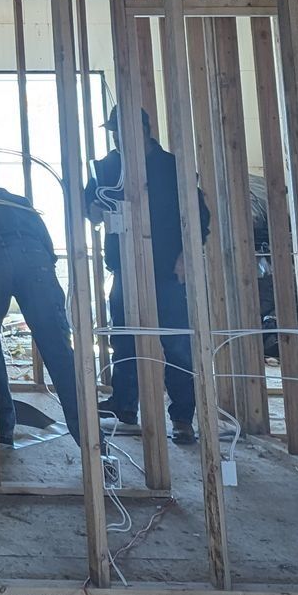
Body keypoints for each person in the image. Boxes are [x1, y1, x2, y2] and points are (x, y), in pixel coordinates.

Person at [83, 107, 210, 445]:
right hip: (125, 269)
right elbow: (89, 206)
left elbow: (200, 216)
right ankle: (123, 406)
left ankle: (182, 417)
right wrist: (93, 208)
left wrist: (186, 255)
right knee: (123, 340)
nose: (116, 138)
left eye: (121, 130)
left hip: (168, 271)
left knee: (178, 345)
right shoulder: (107, 167)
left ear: (143, 129)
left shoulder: (172, 168)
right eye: (112, 131)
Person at [0, 184, 83, 449]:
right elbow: (49, 251)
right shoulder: (19, 202)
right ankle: (93, 443)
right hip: (35, 255)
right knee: (58, 349)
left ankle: (1, 430)